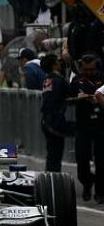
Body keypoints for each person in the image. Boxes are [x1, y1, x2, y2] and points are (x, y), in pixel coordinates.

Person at [69, 55, 104, 202]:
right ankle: (87, 182)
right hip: (83, 124)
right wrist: (78, 99)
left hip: (101, 124)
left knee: (101, 159)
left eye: (92, 69)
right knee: (82, 157)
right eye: (86, 69)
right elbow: (68, 99)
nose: (89, 72)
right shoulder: (77, 80)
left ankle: (100, 191)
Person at [40, 54, 71, 172]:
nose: (60, 63)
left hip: (45, 120)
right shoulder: (59, 80)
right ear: (54, 65)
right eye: (58, 61)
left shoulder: (47, 80)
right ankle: (53, 178)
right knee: (56, 152)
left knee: (51, 152)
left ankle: (50, 175)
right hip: (54, 121)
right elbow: (69, 93)